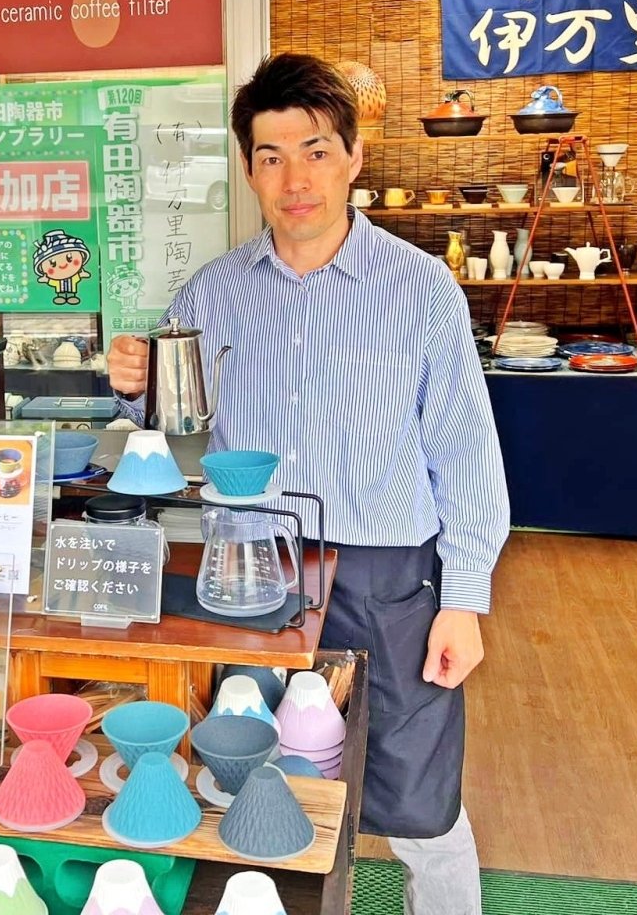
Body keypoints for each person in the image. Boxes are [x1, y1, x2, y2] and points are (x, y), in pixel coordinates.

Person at [107, 52, 509, 915]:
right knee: (250, 769)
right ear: (249, 170)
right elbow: (173, 418)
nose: (297, 179)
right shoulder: (212, 293)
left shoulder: (420, 289)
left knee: (418, 795)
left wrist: (465, 599)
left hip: (387, 574)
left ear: (354, 157)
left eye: (317, 151)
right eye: (273, 156)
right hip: (251, 568)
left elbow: (466, 450)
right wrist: (133, 383)